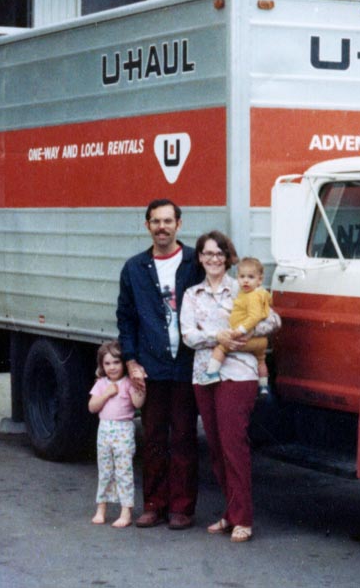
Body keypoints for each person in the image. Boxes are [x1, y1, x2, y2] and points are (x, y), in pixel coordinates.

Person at [180, 231, 281, 543]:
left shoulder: (244, 286)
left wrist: (239, 335)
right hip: (203, 374)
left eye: (219, 254)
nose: (213, 259)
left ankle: (243, 519)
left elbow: (273, 321)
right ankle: (230, 511)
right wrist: (218, 337)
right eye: (207, 254)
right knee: (215, 448)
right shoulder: (192, 295)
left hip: (237, 373)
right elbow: (187, 335)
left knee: (233, 445)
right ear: (199, 258)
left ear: (228, 258)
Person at [117, 198, 204, 530]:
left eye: (168, 221)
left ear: (179, 225)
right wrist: (131, 361)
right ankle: (154, 504)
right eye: (156, 221)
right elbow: (125, 318)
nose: (162, 227)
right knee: (153, 438)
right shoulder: (135, 268)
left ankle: (182, 508)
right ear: (147, 226)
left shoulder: (195, 262)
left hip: (185, 365)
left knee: (183, 437)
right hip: (151, 367)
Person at [89, 340, 145, 528]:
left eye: (116, 362)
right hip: (104, 430)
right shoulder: (101, 384)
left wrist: (140, 385)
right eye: (107, 363)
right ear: (102, 365)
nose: (112, 367)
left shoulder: (128, 382)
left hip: (123, 430)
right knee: (105, 470)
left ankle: (126, 510)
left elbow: (138, 403)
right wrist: (106, 394)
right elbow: (92, 407)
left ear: (123, 363)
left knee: (123, 471)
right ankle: (101, 508)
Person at [205, 256, 272, 398]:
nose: (245, 280)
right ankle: (264, 386)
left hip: (246, 337)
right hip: (261, 341)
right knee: (261, 360)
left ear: (260, 280)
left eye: (251, 277)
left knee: (221, 348)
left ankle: (211, 374)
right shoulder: (258, 294)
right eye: (242, 277)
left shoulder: (252, 296)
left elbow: (254, 316)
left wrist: (241, 330)